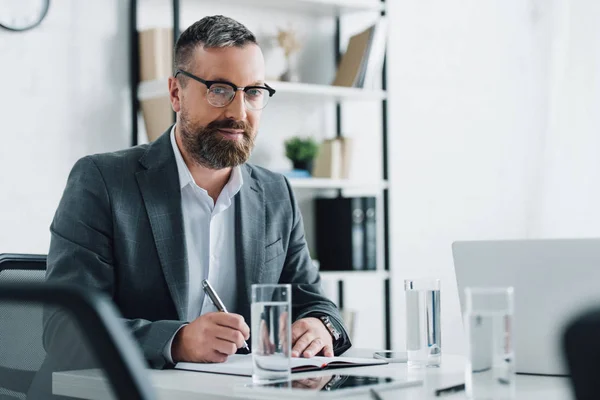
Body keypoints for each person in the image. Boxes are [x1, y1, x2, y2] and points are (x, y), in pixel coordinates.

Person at [43, 15, 351, 370]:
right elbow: (64, 328)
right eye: (219, 89)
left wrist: (320, 327)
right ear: (176, 93)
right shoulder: (102, 181)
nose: (239, 112)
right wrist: (177, 341)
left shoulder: (275, 192)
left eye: (253, 92)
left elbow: (316, 302)